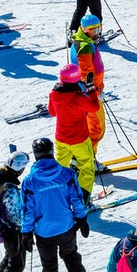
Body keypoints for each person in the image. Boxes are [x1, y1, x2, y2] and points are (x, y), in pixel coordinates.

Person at [20, 137, 94, 272]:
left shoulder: (30, 181)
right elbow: (76, 199)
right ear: (52, 151)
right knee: (72, 260)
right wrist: (82, 219)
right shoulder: (66, 174)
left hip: (44, 233)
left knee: (50, 269)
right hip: (66, 227)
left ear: (35, 155)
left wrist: (26, 233)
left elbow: (27, 211)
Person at [49, 63, 101, 195]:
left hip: (61, 139)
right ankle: (82, 201)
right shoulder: (77, 97)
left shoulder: (54, 93)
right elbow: (95, 107)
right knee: (87, 171)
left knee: (60, 169)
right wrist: (90, 90)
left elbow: (52, 112)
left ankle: (59, 198)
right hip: (79, 140)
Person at [70, 14, 107, 158]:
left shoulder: (85, 41)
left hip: (92, 92)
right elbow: (86, 75)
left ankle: (85, 157)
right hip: (90, 95)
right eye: (94, 31)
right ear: (85, 30)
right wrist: (95, 91)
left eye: (99, 30)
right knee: (96, 129)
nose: (97, 34)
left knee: (92, 128)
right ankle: (87, 159)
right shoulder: (84, 46)